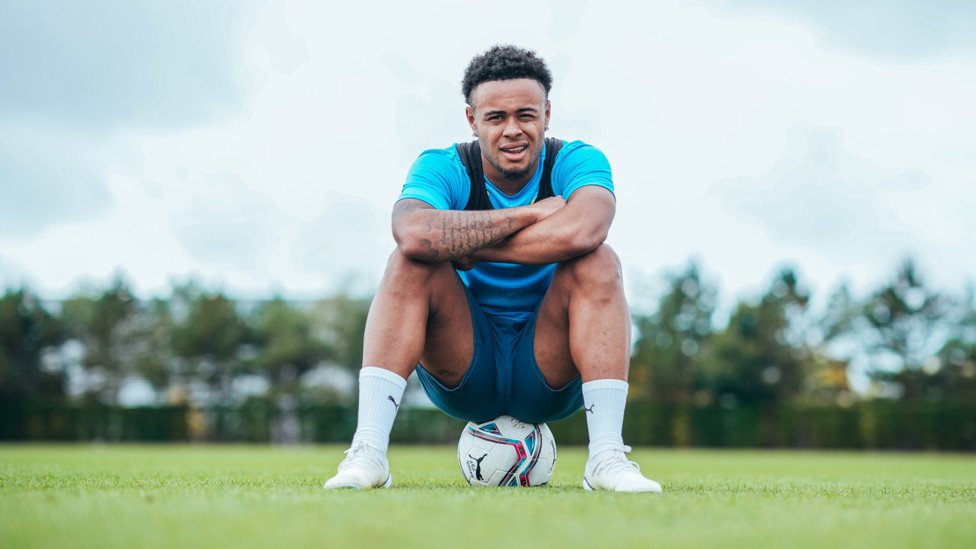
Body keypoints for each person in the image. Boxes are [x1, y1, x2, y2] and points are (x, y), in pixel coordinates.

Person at [324, 45, 661, 493]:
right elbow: (411, 233)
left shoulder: (577, 161)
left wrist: (469, 247)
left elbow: (584, 230)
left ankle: (606, 458)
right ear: (471, 120)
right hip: (465, 366)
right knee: (408, 263)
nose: (512, 130)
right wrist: (527, 215)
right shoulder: (445, 166)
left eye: (526, 114)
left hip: (549, 368)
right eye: (496, 117)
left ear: (547, 112)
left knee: (600, 259)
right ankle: (367, 453)